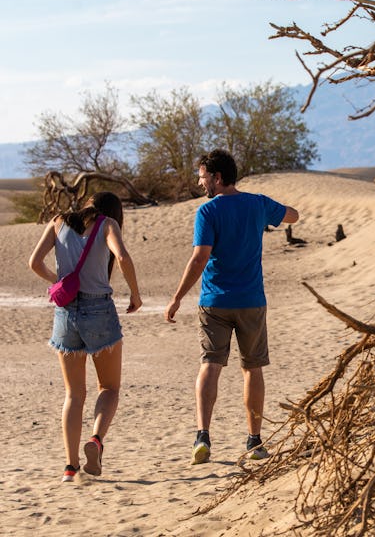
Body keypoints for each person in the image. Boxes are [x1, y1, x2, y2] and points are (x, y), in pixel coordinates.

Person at [165, 149, 299, 464]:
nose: (200, 183)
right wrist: (270, 212)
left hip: (214, 302)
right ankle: (254, 440)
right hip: (252, 301)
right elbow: (293, 215)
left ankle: (203, 436)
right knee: (252, 368)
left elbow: (199, 257)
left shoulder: (207, 212)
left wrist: (177, 296)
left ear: (218, 178)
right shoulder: (257, 203)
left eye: (202, 177)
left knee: (210, 364)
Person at [29, 191, 143, 482]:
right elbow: (122, 256)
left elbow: (34, 262)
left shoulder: (57, 222)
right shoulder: (107, 224)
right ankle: (96, 439)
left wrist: (60, 282)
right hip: (99, 309)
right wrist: (135, 294)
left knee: (73, 393)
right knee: (109, 388)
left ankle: (70, 466)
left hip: (65, 312)